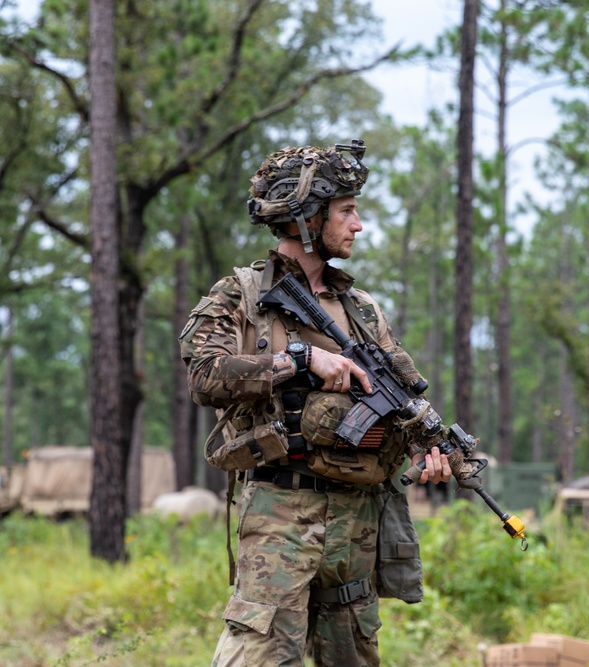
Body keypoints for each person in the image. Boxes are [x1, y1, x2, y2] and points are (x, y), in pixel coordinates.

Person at [178, 142, 451, 667]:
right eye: (347, 211)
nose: (359, 224)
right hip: (281, 517)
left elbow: (399, 401)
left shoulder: (363, 310)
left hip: (357, 522)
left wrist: (428, 454)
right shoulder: (239, 296)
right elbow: (204, 376)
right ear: (307, 218)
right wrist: (299, 361)